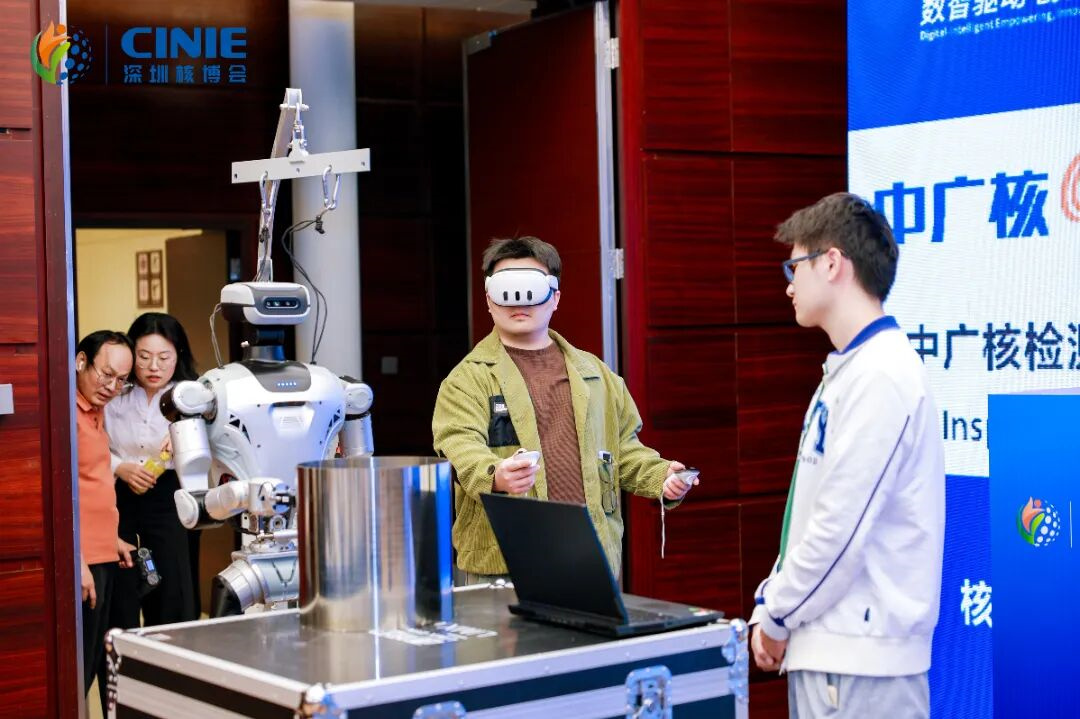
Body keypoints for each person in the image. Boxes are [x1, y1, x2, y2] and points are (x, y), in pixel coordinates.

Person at [749, 193, 945, 718]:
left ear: (832, 262)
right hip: (834, 652)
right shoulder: (850, 369)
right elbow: (811, 515)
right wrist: (773, 603)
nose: (789, 284)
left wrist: (776, 613)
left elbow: (840, 529)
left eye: (795, 266)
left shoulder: (882, 374)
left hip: (863, 663)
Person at [432, 236, 698, 583]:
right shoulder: (467, 379)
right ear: (488, 300)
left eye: (531, 289)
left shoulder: (597, 375)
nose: (519, 301)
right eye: (507, 289)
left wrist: (661, 477)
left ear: (555, 297)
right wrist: (495, 474)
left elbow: (623, 450)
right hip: (504, 563)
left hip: (589, 556)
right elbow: (459, 446)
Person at [105, 312, 201, 634]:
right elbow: (89, 444)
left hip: (169, 495)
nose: (153, 367)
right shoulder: (115, 394)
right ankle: (122, 651)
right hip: (119, 493)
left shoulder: (191, 397)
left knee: (171, 584)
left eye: (164, 357)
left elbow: (215, 445)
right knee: (123, 581)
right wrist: (121, 467)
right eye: (144, 357)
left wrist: (186, 440)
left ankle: (172, 652)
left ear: (178, 355)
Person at [74, 330, 137, 713]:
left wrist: (111, 538)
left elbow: (92, 484)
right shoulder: (65, 412)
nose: (112, 387)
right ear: (81, 361)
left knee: (98, 660)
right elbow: (58, 495)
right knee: (77, 671)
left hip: (103, 554)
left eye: (121, 380)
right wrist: (75, 558)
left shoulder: (96, 411)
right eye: (106, 374)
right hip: (83, 562)